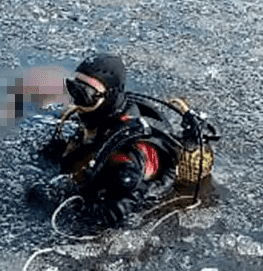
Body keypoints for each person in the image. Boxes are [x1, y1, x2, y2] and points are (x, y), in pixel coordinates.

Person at [15, 53, 217, 228]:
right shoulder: (106, 115)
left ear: (110, 96)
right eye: (73, 89)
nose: (76, 101)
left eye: (86, 95)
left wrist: (64, 202)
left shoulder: (127, 155)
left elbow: (115, 215)